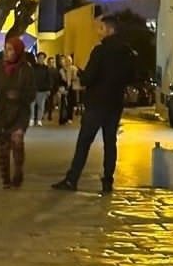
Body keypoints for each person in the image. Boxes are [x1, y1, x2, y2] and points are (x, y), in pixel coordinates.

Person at [52, 14, 137, 195]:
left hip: (97, 103)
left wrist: (81, 75)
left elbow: (89, 77)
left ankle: (72, 179)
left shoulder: (100, 51)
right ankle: (107, 181)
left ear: (109, 30)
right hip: (115, 104)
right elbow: (131, 76)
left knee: (84, 142)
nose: (99, 32)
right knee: (110, 142)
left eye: (101, 28)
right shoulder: (127, 52)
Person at [0, 35, 36, 187]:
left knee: (17, 141)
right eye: (5, 49)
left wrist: (19, 96)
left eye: (10, 49)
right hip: (2, 113)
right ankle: (5, 179)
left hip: (20, 113)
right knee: (3, 149)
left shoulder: (26, 70)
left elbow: (31, 94)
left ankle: (18, 171)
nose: (6, 52)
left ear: (18, 51)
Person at [31, 51, 52, 126]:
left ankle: (39, 119)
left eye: (42, 58)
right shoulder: (33, 67)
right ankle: (32, 119)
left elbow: (49, 79)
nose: (41, 59)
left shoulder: (46, 68)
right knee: (32, 105)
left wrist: (48, 89)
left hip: (43, 90)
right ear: (37, 58)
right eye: (40, 58)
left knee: (41, 105)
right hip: (33, 89)